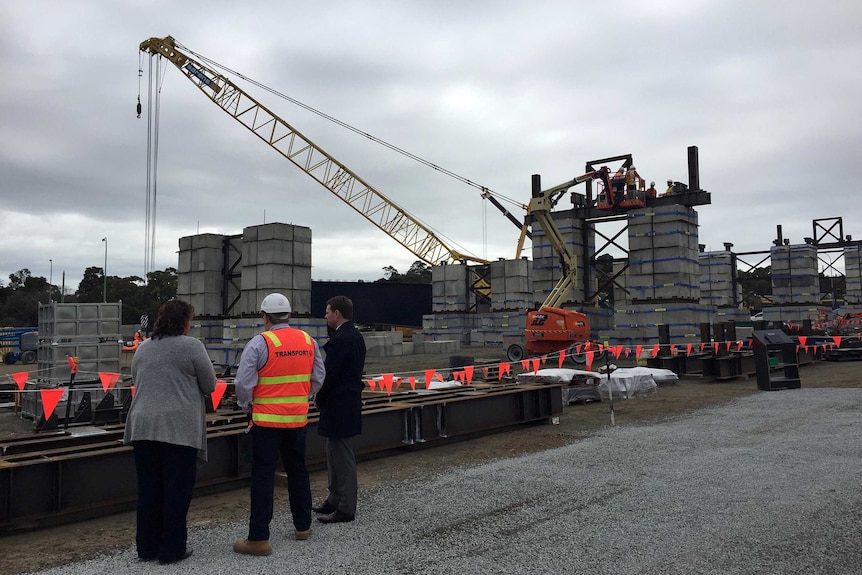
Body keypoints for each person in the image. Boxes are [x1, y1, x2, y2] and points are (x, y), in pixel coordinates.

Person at [123, 299, 216, 565]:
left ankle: (147, 547)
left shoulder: (143, 349)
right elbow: (209, 385)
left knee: (149, 489)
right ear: (185, 322)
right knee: (176, 490)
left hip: (142, 427)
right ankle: (171, 550)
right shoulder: (192, 346)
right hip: (177, 430)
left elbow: (136, 378)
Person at [233, 293, 325, 556]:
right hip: (297, 419)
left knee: (263, 476)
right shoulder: (308, 341)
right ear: (289, 316)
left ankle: (259, 538)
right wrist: (303, 398)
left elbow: (243, 383)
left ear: (265, 317)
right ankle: (303, 526)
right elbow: (319, 377)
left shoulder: (261, 343)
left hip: (266, 421)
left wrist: (245, 405)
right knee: (298, 471)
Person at [313, 295, 367, 524]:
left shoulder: (342, 339)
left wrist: (318, 396)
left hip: (339, 403)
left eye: (327, 312)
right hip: (343, 403)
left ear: (337, 313)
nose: (325, 316)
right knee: (333, 452)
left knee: (342, 456)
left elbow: (330, 375)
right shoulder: (352, 336)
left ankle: (345, 507)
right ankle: (334, 499)